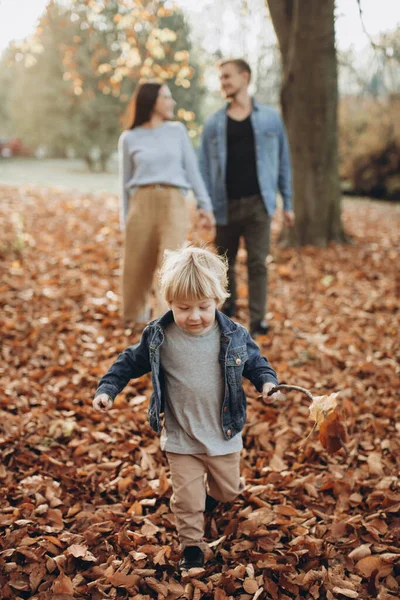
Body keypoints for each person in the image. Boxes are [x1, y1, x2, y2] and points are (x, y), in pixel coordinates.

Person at [93, 244, 282, 571]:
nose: (193, 316)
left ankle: (210, 496)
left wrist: (267, 382)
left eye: (202, 307)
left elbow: (255, 362)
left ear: (218, 301)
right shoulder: (159, 336)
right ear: (169, 303)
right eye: (183, 308)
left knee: (226, 493)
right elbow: (128, 363)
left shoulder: (233, 335)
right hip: (181, 437)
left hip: (222, 435)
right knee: (187, 499)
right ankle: (192, 546)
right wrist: (108, 390)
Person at [199, 58, 294, 337]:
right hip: (224, 203)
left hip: (258, 203)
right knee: (224, 261)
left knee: (257, 262)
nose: (223, 83)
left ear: (245, 77)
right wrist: (205, 204)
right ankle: (229, 307)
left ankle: (258, 319)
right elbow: (203, 165)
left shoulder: (270, 118)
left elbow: (283, 161)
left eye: (227, 77)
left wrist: (288, 203)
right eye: (221, 78)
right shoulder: (214, 123)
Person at [119, 81, 215, 325]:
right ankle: (133, 321)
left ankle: (162, 325)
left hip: (173, 203)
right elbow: (125, 183)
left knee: (170, 265)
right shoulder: (130, 137)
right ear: (152, 101)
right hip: (141, 203)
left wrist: (205, 205)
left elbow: (192, 171)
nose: (171, 102)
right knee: (136, 266)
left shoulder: (177, 131)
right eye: (166, 97)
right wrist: (125, 219)